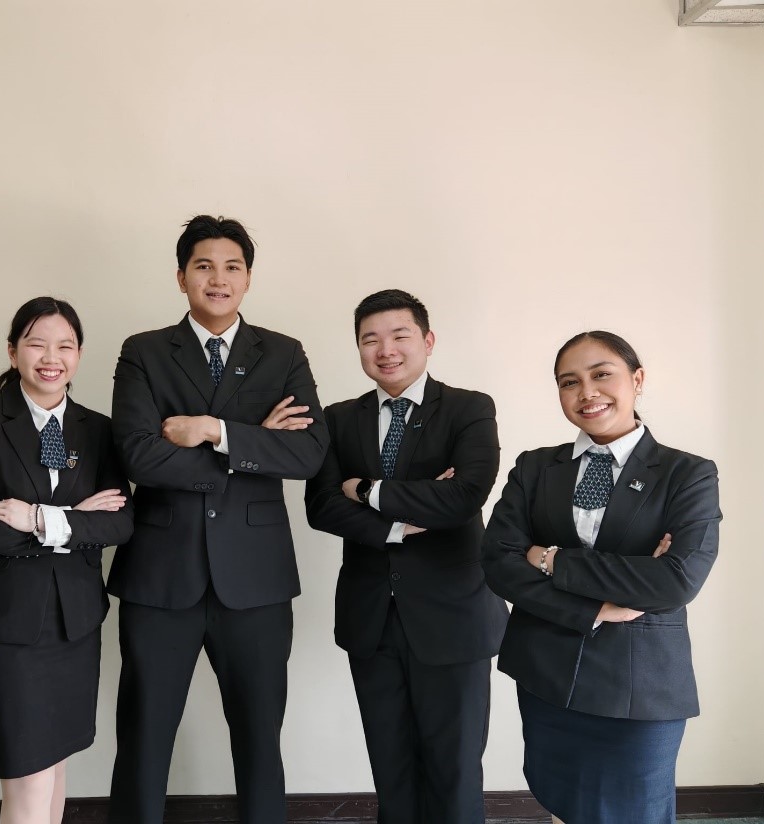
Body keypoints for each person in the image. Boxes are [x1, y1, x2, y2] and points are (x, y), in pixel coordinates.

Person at [107, 215, 328, 824]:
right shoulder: (144, 351)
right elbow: (138, 456)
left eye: (232, 267)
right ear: (182, 277)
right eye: (204, 266)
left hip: (256, 580)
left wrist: (213, 431)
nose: (218, 278)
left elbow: (308, 455)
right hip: (160, 575)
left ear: (248, 278)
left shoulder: (282, 353)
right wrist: (254, 444)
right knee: (144, 735)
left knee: (260, 737)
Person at [481, 331, 721, 824]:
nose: (587, 392)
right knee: (560, 802)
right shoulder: (534, 467)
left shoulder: (688, 474)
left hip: (640, 683)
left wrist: (550, 559)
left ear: (637, 379)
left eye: (602, 374)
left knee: (635, 811)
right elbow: (498, 561)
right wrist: (597, 605)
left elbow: (674, 582)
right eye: (569, 382)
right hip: (546, 672)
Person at [305, 289, 508, 823]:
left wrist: (365, 490)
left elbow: (464, 496)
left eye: (399, 335)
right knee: (390, 766)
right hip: (372, 617)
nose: (385, 350)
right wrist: (397, 524)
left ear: (428, 340)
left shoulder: (469, 408)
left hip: (454, 615)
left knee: (454, 768)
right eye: (370, 340)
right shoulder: (338, 418)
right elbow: (321, 506)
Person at [0, 297, 133, 824]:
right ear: (13, 352)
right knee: (27, 776)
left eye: (65, 346)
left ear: (79, 355)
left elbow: (120, 523)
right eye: (36, 344)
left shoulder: (98, 429)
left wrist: (39, 518)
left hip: (75, 623)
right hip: (4, 623)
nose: (51, 358)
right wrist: (76, 521)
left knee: (54, 766)